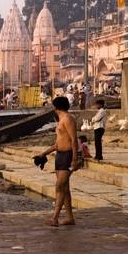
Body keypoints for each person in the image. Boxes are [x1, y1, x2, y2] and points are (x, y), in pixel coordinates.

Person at [36, 95, 79, 227]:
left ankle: (54, 218)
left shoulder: (67, 119)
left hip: (67, 156)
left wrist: (74, 159)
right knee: (64, 188)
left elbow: (73, 140)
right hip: (59, 155)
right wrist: (43, 153)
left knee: (59, 186)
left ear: (56, 107)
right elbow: (57, 143)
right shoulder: (61, 120)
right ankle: (69, 217)